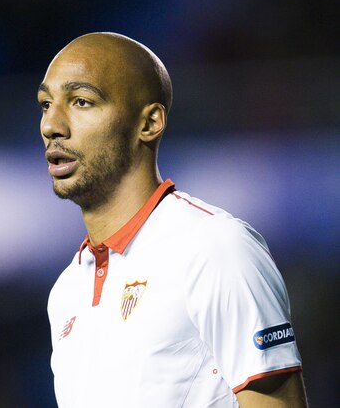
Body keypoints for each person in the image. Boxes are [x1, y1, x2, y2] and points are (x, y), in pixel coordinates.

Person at [38, 32, 307, 407]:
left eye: (82, 101)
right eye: (46, 104)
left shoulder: (214, 247)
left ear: (149, 123)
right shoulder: (66, 290)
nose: (51, 125)